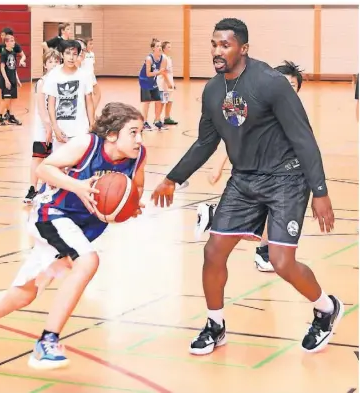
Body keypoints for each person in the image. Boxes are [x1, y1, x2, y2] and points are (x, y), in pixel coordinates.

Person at [151, 18, 343, 355]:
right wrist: (172, 177)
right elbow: (205, 143)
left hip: (287, 178)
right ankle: (215, 324)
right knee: (213, 251)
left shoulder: (270, 83)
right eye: (213, 44)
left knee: (281, 261)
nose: (217, 51)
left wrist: (321, 192)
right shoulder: (213, 90)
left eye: (225, 45)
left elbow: (304, 138)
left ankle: (326, 309)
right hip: (244, 179)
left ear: (244, 48)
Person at [0, 102, 147, 370]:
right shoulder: (87, 145)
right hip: (52, 214)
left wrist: (130, 205)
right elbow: (43, 169)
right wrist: (78, 187)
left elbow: (136, 186)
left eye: (141, 132)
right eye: (133, 132)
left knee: (21, 296)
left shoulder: (137, 156)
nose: (139, 139)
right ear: (112, 134)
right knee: (88, 261)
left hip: (78, 229)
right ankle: (47, 343)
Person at [199, 60, 305, 273]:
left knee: (272, 213)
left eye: (292, 87)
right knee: (250, 222)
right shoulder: (255, 108)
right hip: (251, 172)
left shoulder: (293, 114)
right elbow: (232, 136)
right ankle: (216, 216)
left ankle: (263, 250)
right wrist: (218, 166)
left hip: (279, 174)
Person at [24, 49, 60, 204]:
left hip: (58, 125)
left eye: (56, 61)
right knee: (38, 157)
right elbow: (41, 108)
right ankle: (32, 188)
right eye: (50, 61)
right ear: (45, 65)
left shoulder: (62, 80)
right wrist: (48, 128)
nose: (53, 64)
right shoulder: (42, 82)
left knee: (56, 159)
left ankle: (52, 189)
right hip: (43, 126)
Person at [43, 40, 95, 145]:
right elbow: (51, 104)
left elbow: (89, 103)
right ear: (62, 55)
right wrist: (55, 127)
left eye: (74, 54)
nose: (71, 57)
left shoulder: (84, 75)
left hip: (81, 130)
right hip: (61, 130)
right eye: (67, 53)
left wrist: (92, 124)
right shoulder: (53, 74)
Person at [0, 35, 22, 126]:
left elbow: (14, 68)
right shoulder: (4, 53)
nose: (13, 42)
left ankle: (11, 117)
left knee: (11, 99)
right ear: (6, 42)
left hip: (13, 78)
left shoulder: (14, 53)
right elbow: (2, 68)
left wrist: (17, 79)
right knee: (6, 99)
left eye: (13, 40)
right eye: (11, 41)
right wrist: (6, 80)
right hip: (5, 79)